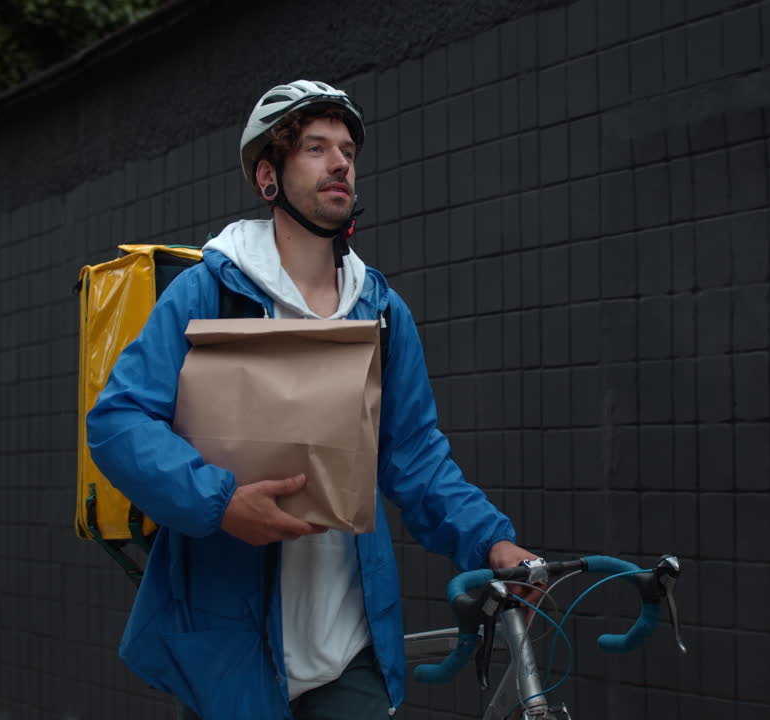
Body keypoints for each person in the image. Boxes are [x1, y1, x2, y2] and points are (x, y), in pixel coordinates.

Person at [86, 80, 538, 720]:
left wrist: (491, 541)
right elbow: (117, 422)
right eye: (316, 148)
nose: (340, 163)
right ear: (267, 176)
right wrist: (221, 503)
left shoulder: (379, 311)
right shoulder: (205, 293)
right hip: (232, 647)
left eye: (348, 150)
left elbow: (411, 454)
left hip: (348, 648)